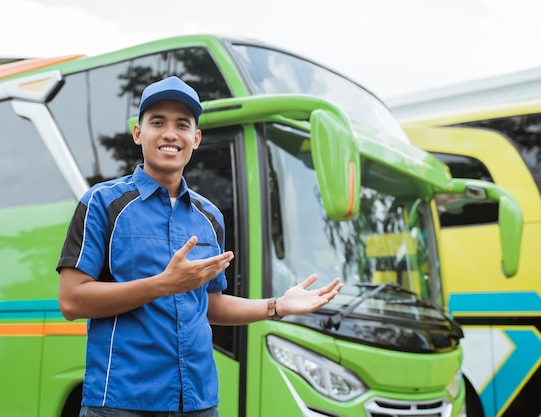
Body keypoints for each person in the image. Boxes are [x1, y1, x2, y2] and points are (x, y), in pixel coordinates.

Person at [56, 76, 343, 417]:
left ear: (196, 138)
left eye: (182, 124)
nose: (170, 134)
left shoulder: (209, 216)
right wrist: (163, 284)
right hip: (122, 402)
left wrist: (277, 305)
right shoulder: (103, 203)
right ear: (138, 133)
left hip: (198, 401)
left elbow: (210, 304)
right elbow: (72, 301)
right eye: (157, 122)